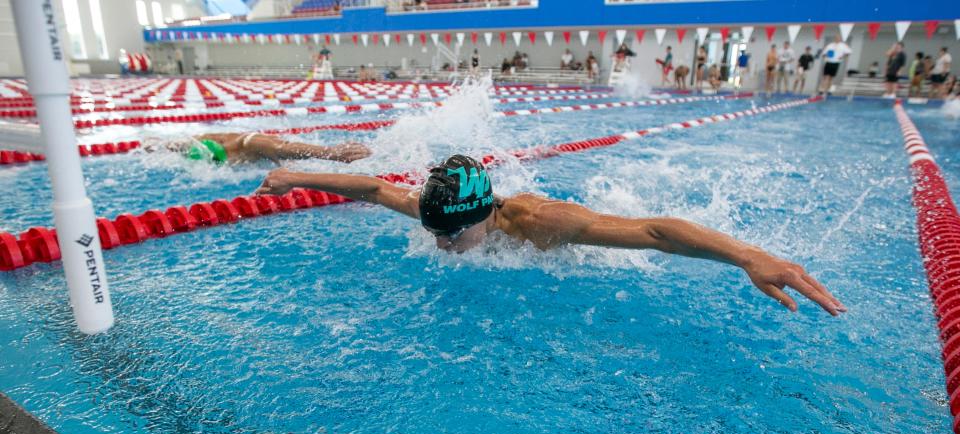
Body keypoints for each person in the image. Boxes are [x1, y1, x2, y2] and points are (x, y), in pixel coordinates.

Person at [254, 155, 846, 316]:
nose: (438, 246)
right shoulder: (441, 211)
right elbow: (373, 188)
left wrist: (748, 256)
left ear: (483, 215)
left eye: (449, 236)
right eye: (434, 233)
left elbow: (655, 230)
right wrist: (294, 176)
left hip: (581, 234)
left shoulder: (541, 224)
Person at [161, 133, 371, 166]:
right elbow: (179, 143)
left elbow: (284, 147)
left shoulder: (248, 144)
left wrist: (330, 152)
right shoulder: (202, 139)